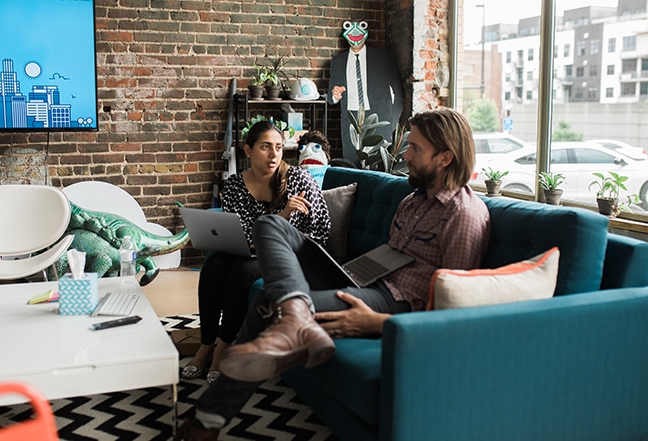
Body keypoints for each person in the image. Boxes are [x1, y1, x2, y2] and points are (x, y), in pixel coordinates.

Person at [177, 108, 491, 440]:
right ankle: (296, 318)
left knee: (268, 302)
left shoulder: (464, 214)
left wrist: (380, 323)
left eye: (415, 149)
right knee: (271, 224)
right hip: (363, 276)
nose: (407, 156)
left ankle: (206, 423)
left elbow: (455, 307)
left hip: (391, 301)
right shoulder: (413, 201)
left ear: (444, 158)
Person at [180, 120, 331, 383]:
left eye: (279, 148)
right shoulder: (236, 184)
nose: (274, 154)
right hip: (250, 249)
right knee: (214, 267)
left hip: (290, 252)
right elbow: (242, 232)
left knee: (242, 273)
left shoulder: (298, 178)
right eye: (265, 147)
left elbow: (320, 228)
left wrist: (283, 217)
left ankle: (224, 348)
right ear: (248, 151)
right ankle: (206, 344)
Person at [328, 20, 404, 165]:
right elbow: (331, 98)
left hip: (379, 118)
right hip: (350, 119)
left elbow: (398, 92)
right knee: (352, 163)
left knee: (379, 164)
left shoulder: (381, 57)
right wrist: (335, 95)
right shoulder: (338, 61)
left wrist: (393, 121)